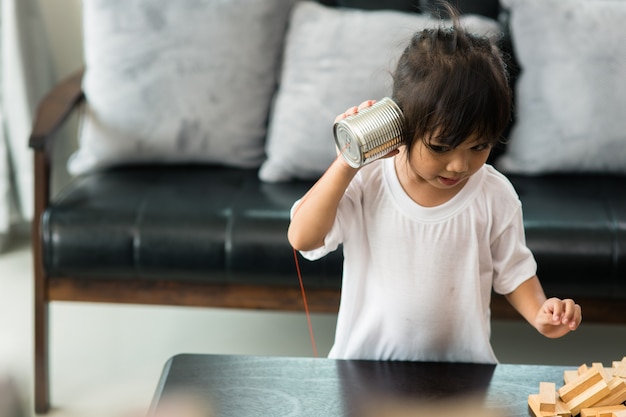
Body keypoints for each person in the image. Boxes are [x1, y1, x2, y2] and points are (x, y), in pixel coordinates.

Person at [287, 4, 582, 363]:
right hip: (364, 369)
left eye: (480, 146)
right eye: (441, 147)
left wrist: (541, 313)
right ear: (401, 125)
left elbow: (515, 272)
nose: (460, 164)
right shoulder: (368, 180)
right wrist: (348, 161)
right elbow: (303, 237)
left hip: (462, 374)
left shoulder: (494, 194)